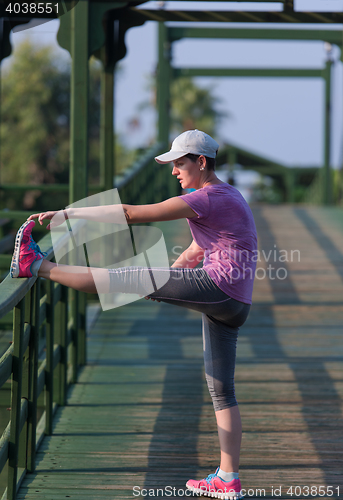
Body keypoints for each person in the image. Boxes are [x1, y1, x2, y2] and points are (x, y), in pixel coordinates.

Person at [10, 129, 257, 500]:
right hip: (236, 303)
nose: (173, 170)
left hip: (218, 288)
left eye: (179, 163)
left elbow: (130, 213)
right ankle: (228, 478)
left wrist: (68, 213)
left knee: (117, 278)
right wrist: (168, 283)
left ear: (201, 162)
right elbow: (196, 249)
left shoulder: (207, 198)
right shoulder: (227, 196)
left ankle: (34, 265)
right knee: (222, 391)